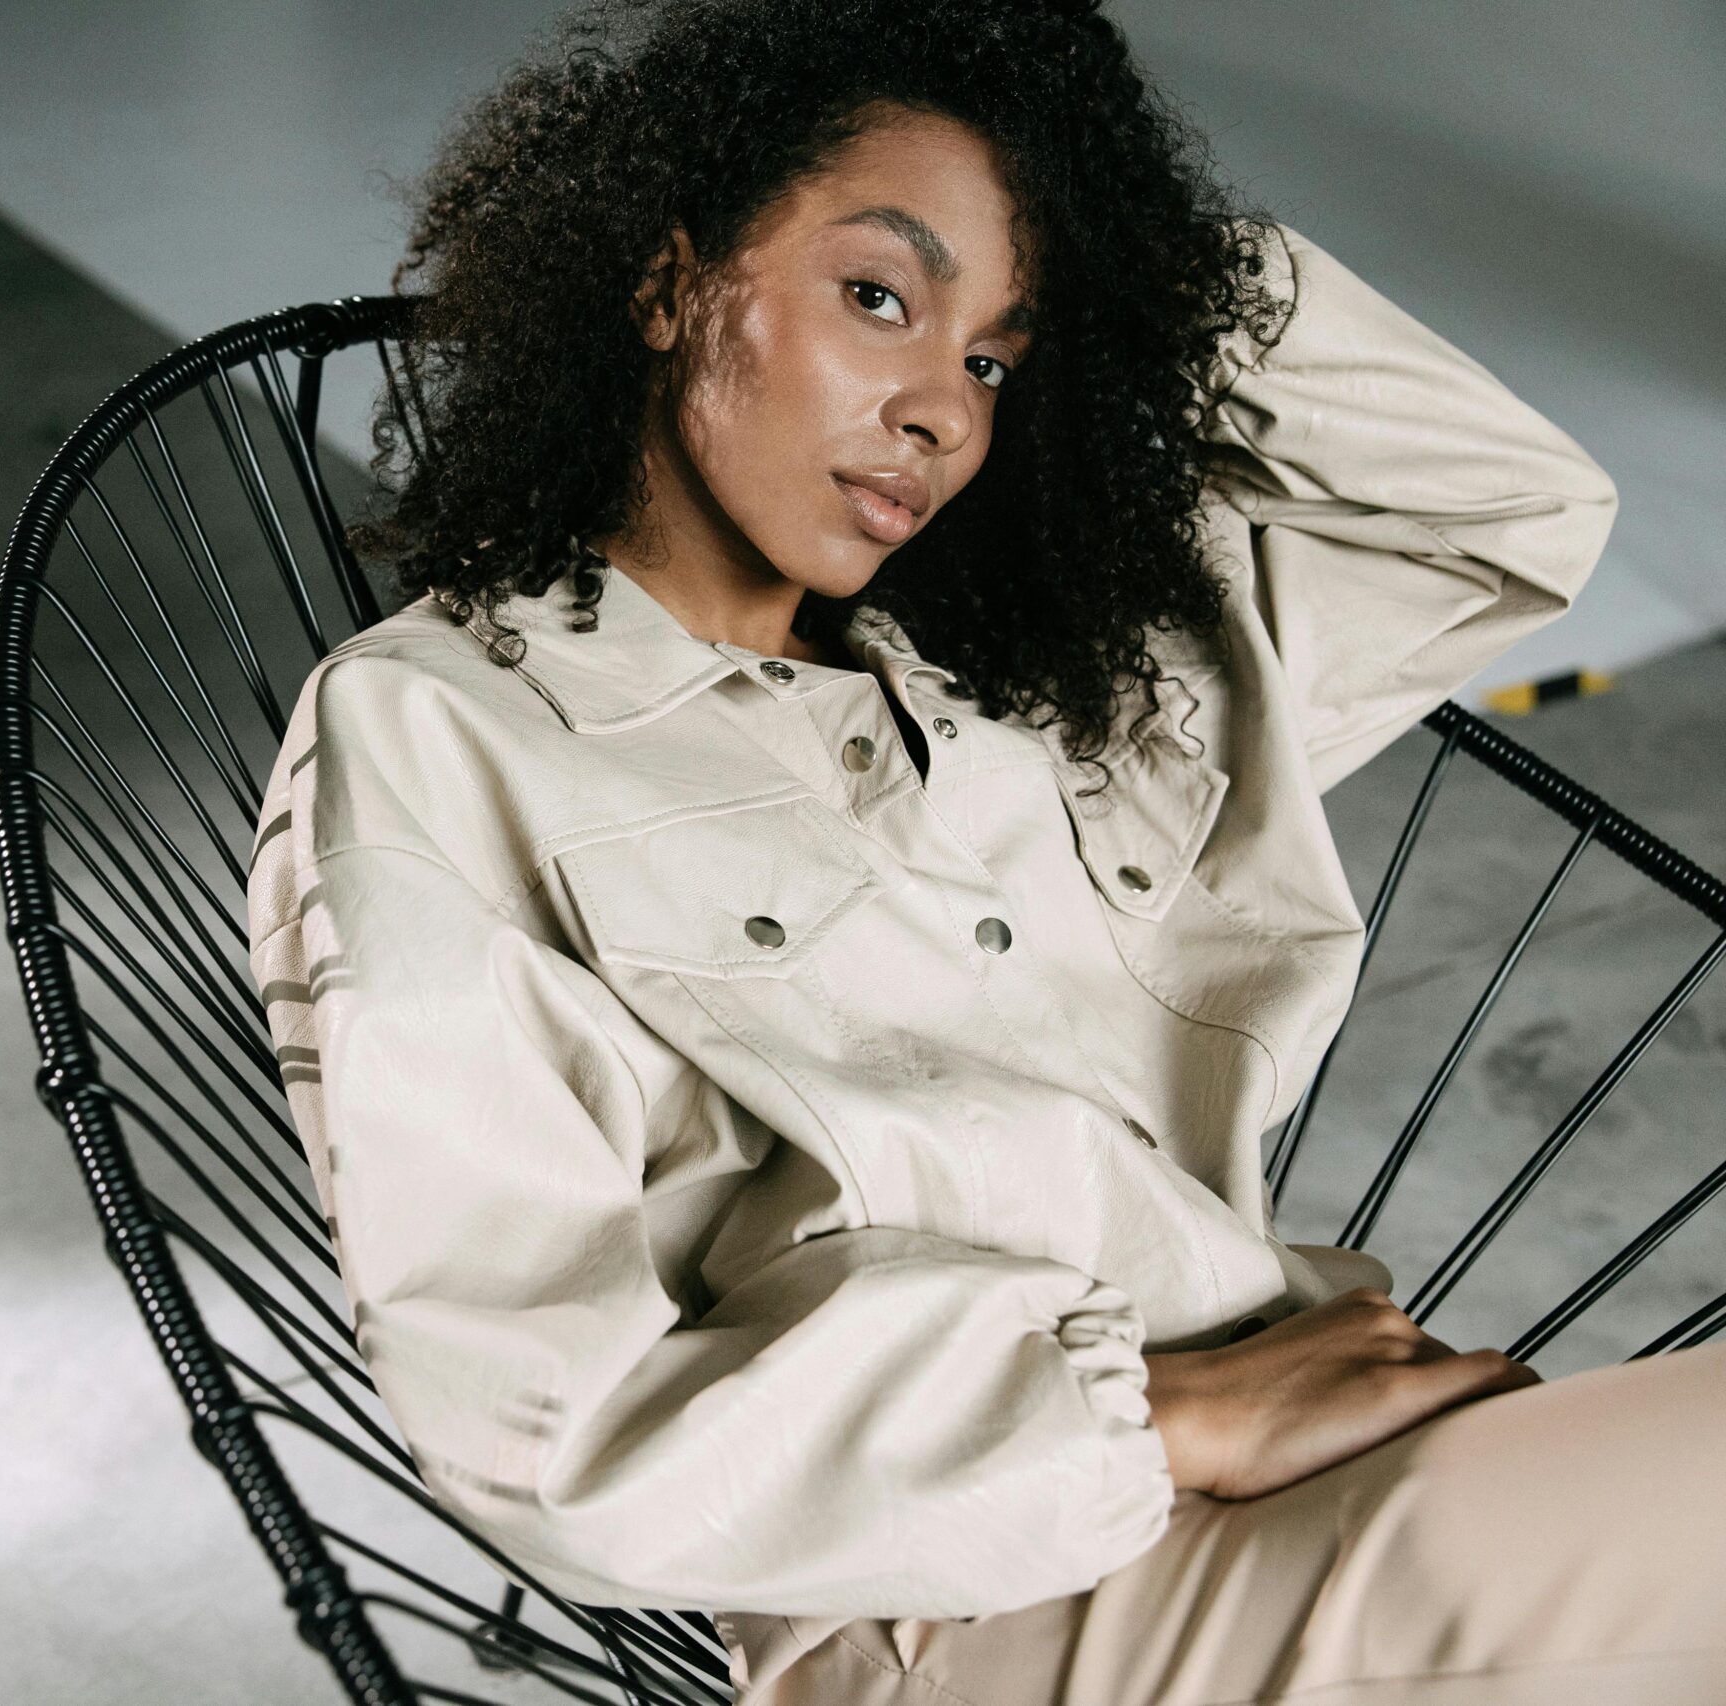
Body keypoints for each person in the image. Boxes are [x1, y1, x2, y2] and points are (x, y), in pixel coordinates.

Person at [243, 1, 1724, 1699]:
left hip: (1311, 1455)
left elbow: (1505, 516)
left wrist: (1139, 263)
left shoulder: (1037, 691)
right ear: (666, 285)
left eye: (996, 357)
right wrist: (1159, 1415)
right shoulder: (441, 733)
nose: (941, 410)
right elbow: (533, 1419)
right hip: (968, 1595)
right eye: (879, 297)